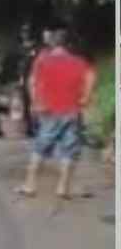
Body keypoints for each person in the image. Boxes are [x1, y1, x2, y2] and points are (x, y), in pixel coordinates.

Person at [18, 27, 96, 199]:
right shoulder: (79, 62)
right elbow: (90, 78)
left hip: (49, 111)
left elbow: (31, 82)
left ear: (53, 43)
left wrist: (34, 102)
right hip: (72, 112)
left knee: (40, 147)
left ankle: (30, 185)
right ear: (69, 45)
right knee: (70, 150)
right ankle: (63, 188)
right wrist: (85, 99)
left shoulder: (43, 60)